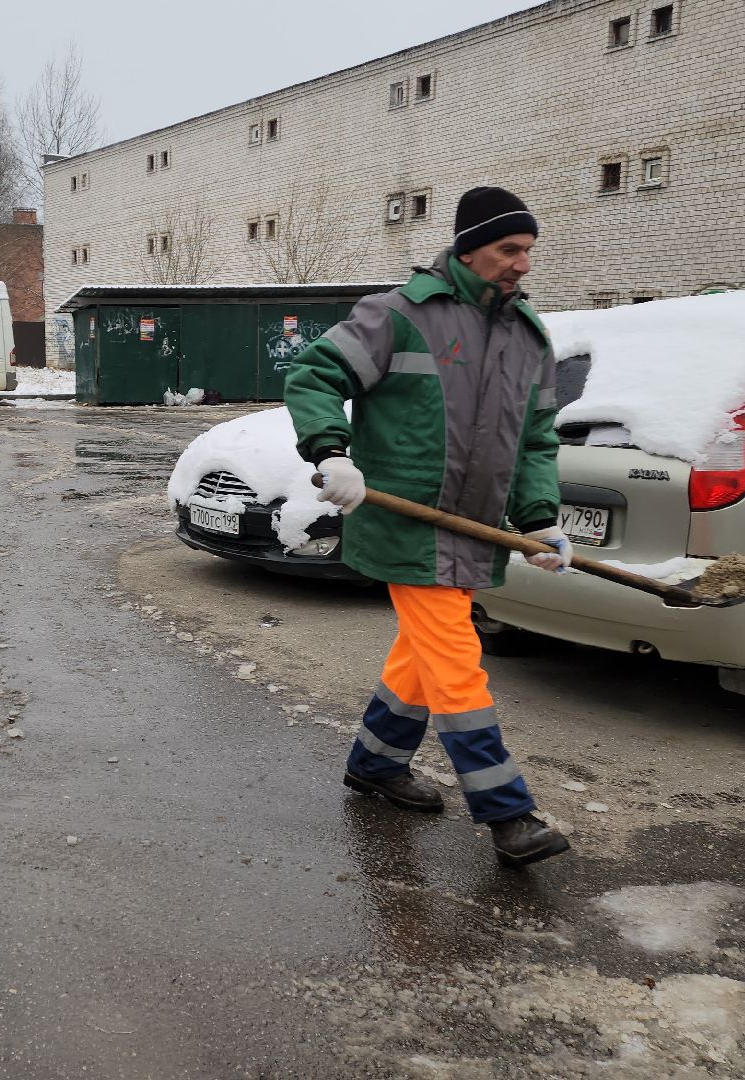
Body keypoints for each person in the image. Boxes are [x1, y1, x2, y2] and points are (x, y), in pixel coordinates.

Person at [283, 186, 573, 868]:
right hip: (407, 523)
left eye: (529, 250)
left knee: (424, 654)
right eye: (510, 249)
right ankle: (507, 812)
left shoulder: (529, 336)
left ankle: (376, 763)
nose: (522, 264)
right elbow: (313, 375)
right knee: (454, 661)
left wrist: (540, 519)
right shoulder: (400, 315)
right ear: (469, 247)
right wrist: (330, 450)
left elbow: (536, 440)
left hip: (474, 527)